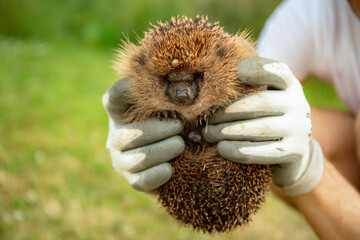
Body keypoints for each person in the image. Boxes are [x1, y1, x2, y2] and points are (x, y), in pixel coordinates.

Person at [102, 0, 360, 238]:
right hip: (197, 157)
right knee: (271, 131)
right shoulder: (309, 11)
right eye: (170, 82)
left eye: (193, 80)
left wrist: (308, 167)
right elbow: (271, 96)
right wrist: (131, 121)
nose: (182, 92)